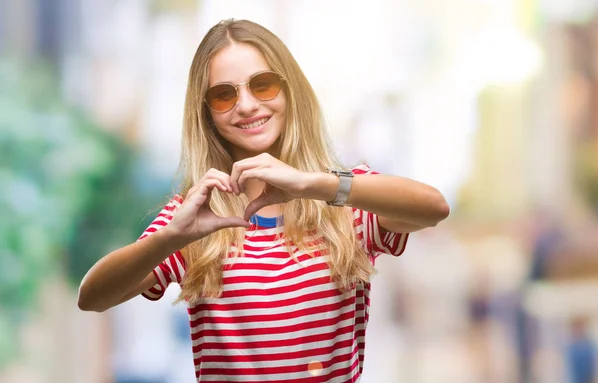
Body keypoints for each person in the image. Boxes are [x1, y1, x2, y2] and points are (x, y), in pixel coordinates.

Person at [78, 18, 450, 382]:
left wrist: (310, 184)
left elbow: (434, 208)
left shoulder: (343, 197)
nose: (246, 105)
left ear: (290, 90)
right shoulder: (195, 215)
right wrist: (171, 237)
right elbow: (92, 297)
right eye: (224, 94)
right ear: (206, 114)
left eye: (263, 85)